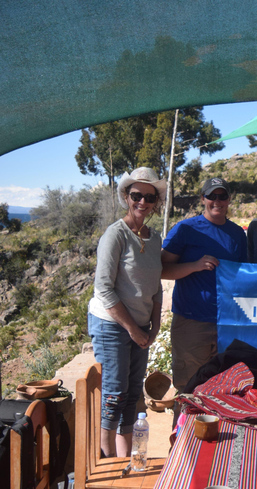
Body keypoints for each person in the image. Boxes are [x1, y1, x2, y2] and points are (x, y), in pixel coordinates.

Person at [87, 167, 165, 458]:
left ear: (156, 202)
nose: (142, 202)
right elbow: (104, 290)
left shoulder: (154, 237)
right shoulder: (115, 235)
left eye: (149, 196)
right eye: (136, 195)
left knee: (133, 394)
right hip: (113, 324)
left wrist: (154, 327)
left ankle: (126, 461)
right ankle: (105, 463)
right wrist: (133, 329)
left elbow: (155, 286)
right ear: (126, 196)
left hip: (140, 326)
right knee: (114, 393)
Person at [161, 177, 248, 398]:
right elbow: (162, 269)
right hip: (192, 323)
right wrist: (194, 266)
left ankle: (217, 432)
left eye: (222, 196)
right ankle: (183, 433)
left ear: (229, 200)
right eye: (212, 196)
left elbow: (245, 274)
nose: (217, 201)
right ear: (203, 199)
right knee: (189, 387)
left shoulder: (237, 234)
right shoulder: (185, 229)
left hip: (227, 323)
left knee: (225, 388)